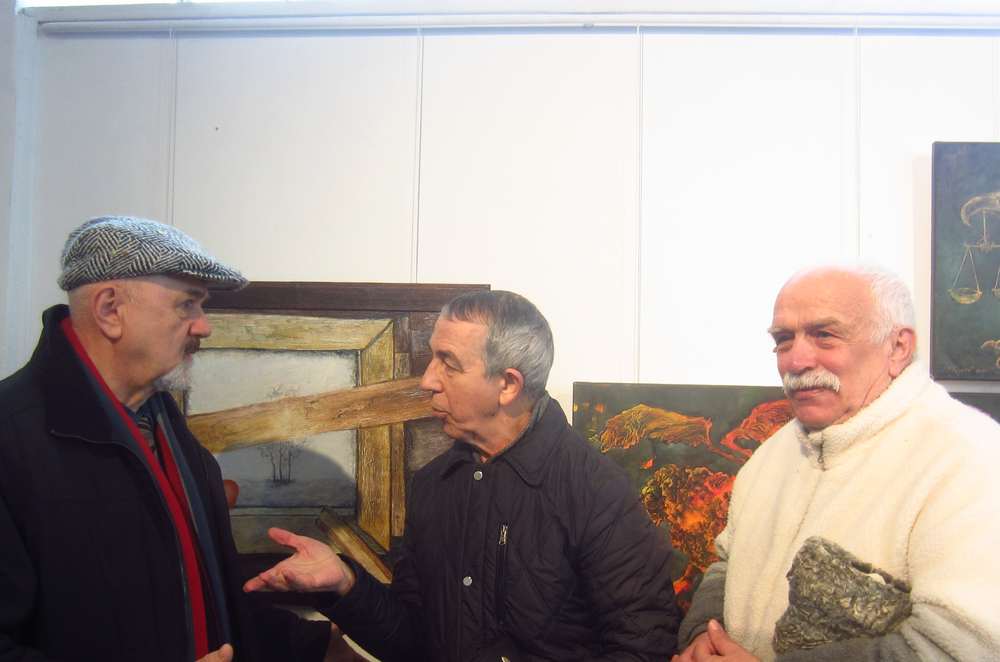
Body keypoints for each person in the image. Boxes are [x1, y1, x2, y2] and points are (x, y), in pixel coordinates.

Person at [244, 290, 681, 661]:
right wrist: (345, 584)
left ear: (507, 385)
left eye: (448, 363)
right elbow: (413, 642)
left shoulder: (596, 491)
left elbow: (644, 646)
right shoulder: (433, 486)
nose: (428, 380)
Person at [0, 216, 338, 662]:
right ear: (109, 309)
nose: (204, 326)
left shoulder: (171, 434)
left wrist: (322, 645)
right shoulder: (11, 436)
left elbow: (203, 599)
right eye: (187, 305)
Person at [674, 264, 1000, 662]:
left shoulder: (969, 458)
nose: (796, 361)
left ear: (898, 347)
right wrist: (702, 636)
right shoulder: (773, 452)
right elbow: (727, 565)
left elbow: (960, 649)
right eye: (783, 339)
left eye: (824, 335)